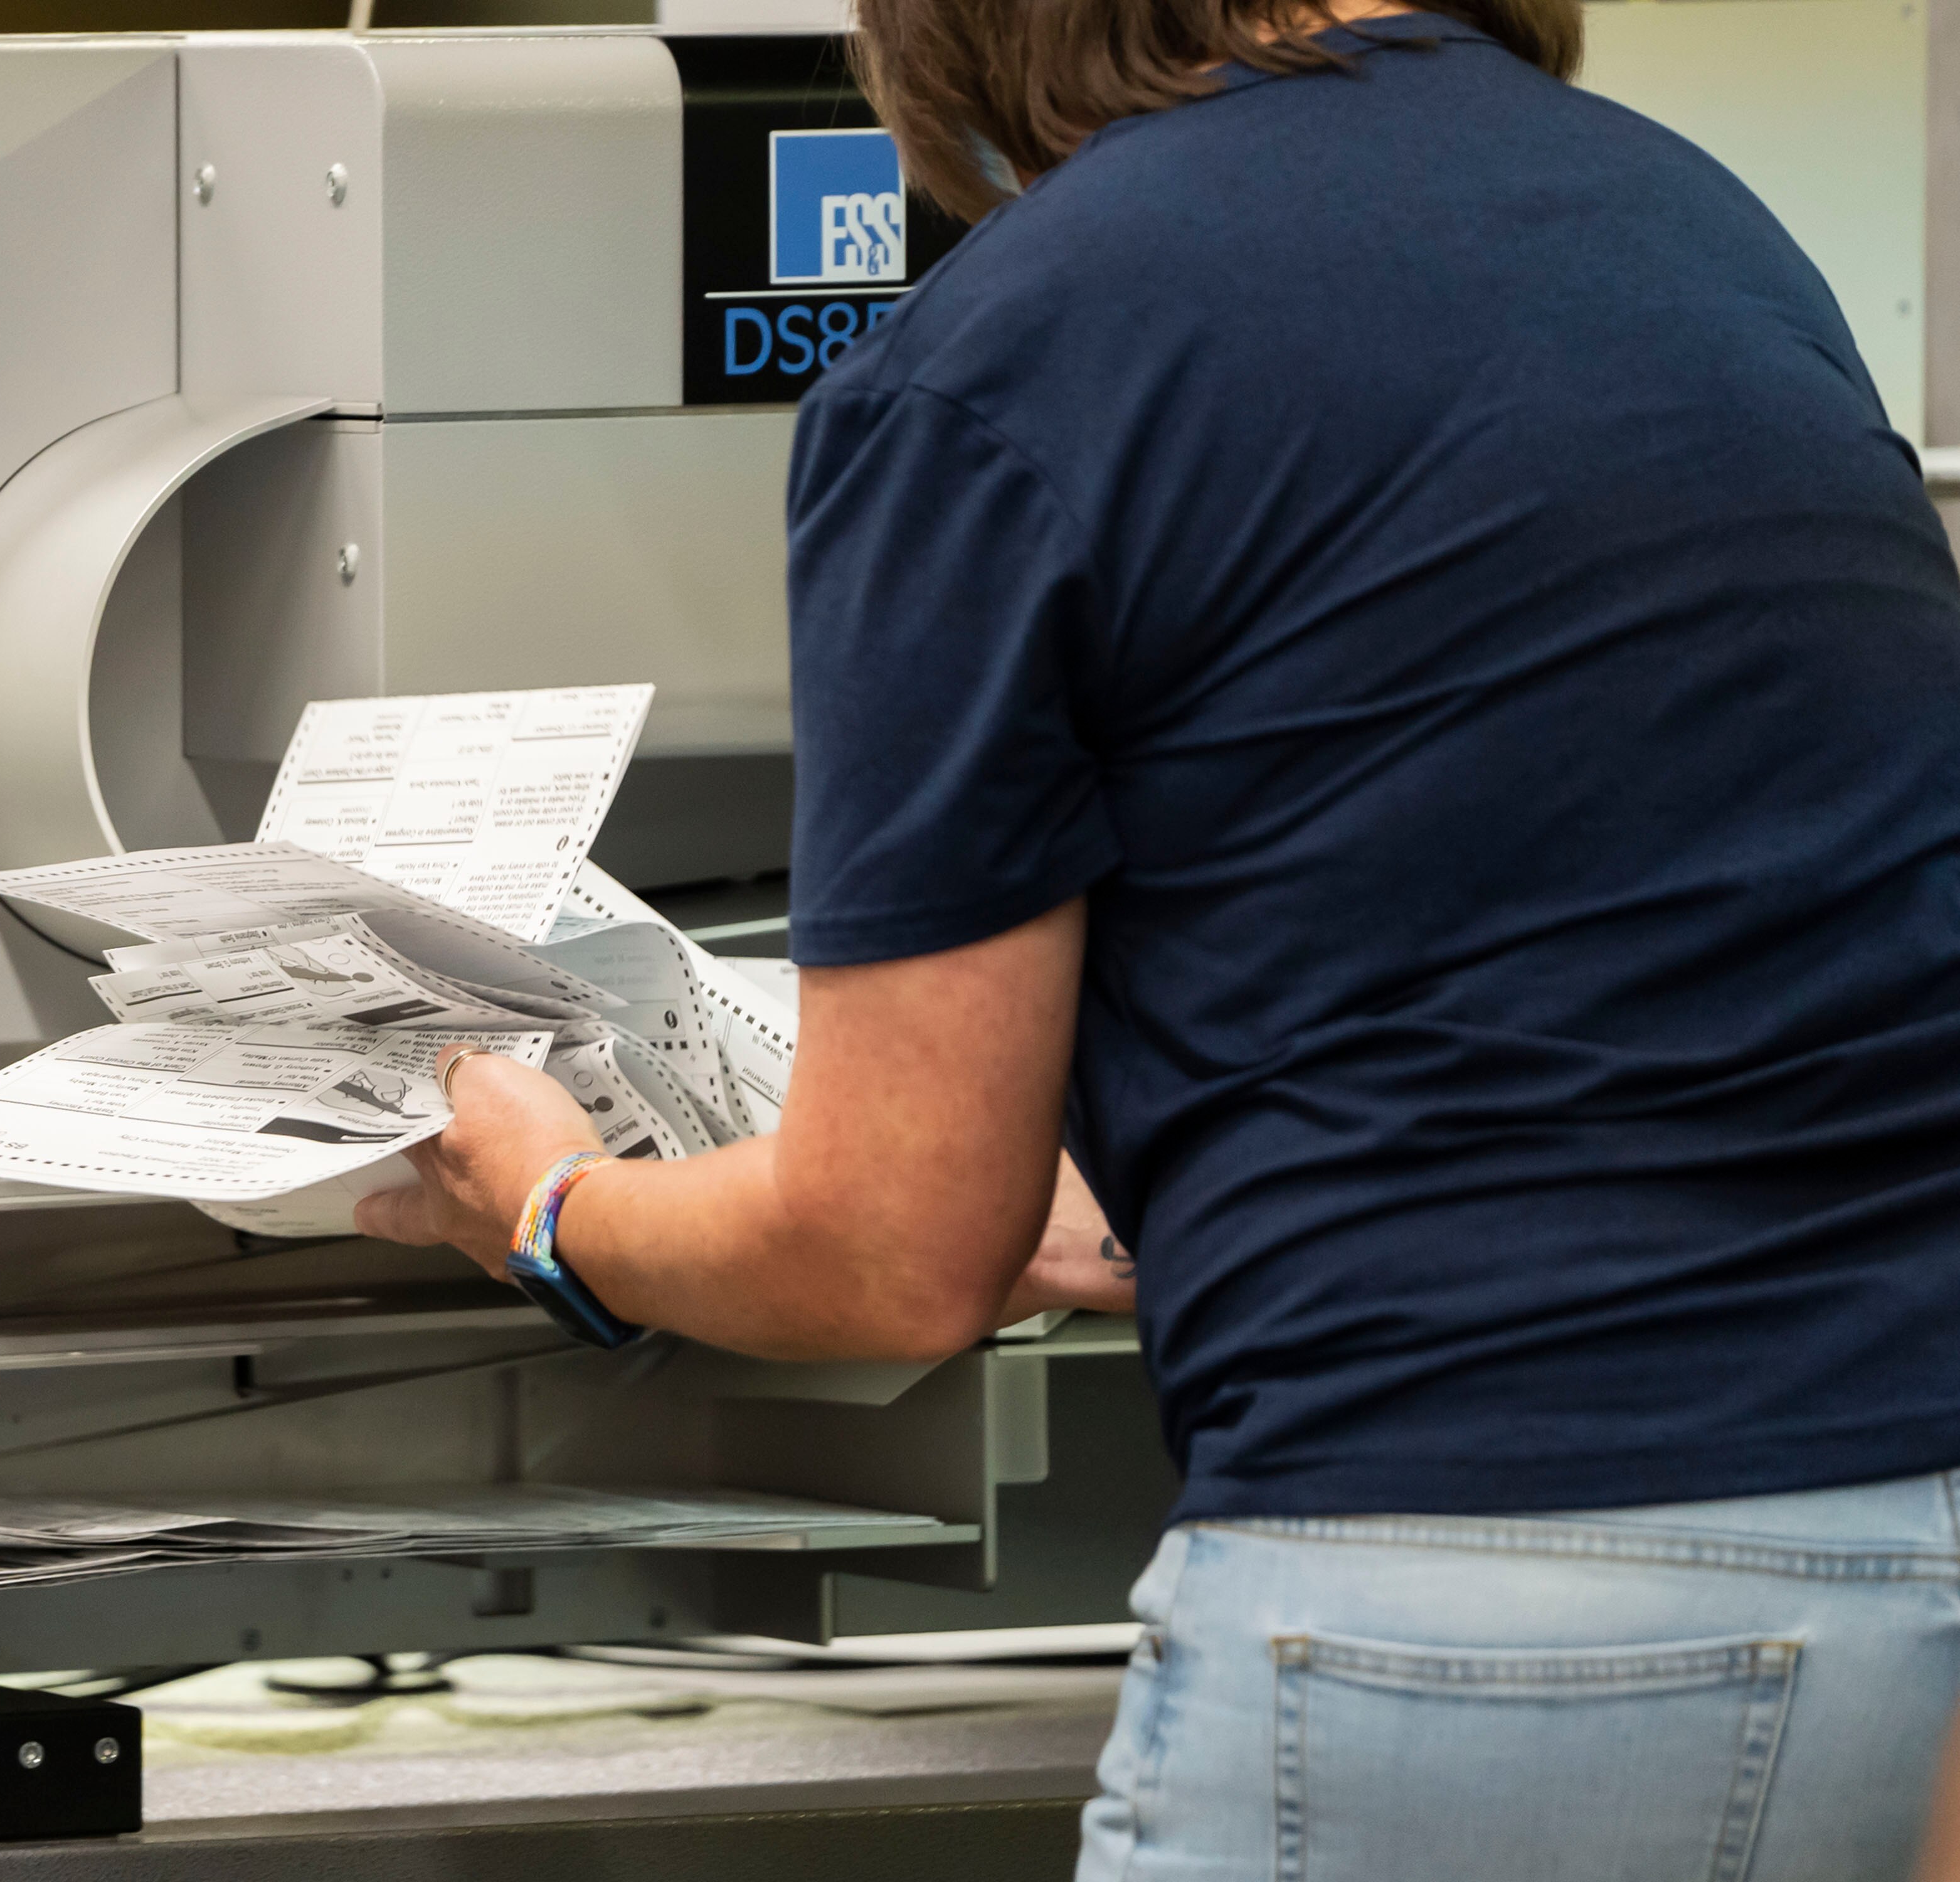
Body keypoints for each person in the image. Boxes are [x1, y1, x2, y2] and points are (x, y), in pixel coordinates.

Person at [354, 0, 1960, 1872]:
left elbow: (885, 1258)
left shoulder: (1009, 350)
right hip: (1906, 1536)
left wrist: (553, 1211)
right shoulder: (1683, 224)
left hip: (1468, 1578)